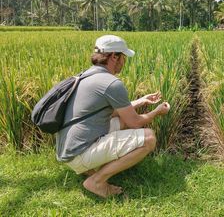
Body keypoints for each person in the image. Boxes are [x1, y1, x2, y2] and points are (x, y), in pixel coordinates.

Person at [56, 35, 170, 198]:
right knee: (149, 138)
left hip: (68, 149)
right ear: (114, 57)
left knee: (121, 121)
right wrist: (157, 111)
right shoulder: (111, 83)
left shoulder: (85, 76)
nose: (124, 61)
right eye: (123, 57)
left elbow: (110, 112)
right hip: (78, 153)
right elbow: (135, 122)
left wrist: (141, 101)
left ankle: (90, 168)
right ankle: (96, 181)